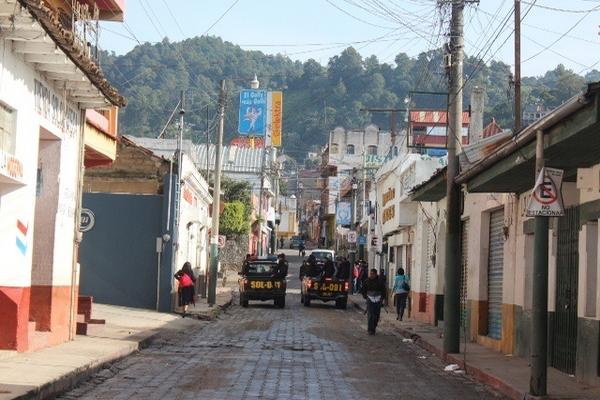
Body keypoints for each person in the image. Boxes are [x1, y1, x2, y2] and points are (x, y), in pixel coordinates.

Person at [361, 268, 387, 335]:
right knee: (370, 315)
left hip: (378, 300)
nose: (371, 275)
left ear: (376, 274)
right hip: (370, 299)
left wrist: (382, 298)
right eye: (370, 274)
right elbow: (363, 289)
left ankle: (374, 327)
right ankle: (370, 329)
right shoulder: (367, 281)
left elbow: (384, 291)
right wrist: (365, 297)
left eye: (372, 274)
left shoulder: (380, 281)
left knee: (376, 315)